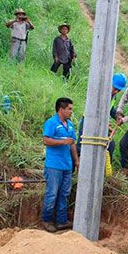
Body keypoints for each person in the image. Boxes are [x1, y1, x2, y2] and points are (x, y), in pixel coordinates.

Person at [42, 97, 79, 233]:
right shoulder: (51, 123)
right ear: (61, 109)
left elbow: (72, 144)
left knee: (64, 193)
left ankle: (61, 221)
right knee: (52, 194)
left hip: (67, 166)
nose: (71, 112)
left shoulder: (70, 125)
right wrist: (63, 142)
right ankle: (47, 220)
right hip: (54, 166)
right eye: (69, 109)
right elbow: (46, 140)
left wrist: (76, 161)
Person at [76, 73, 128, 164]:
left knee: (109, 145)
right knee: (80, 147)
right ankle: (72, 169)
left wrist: (116, 116)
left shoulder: (113, 96)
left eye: (118, 90)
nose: (116, 92)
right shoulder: (100, 94)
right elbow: (94, 113)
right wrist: (105, 125)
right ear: (109, 83)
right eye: (115, 88)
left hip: (101, 125)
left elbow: (110, 109)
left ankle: (102, 169)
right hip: (88, 122)